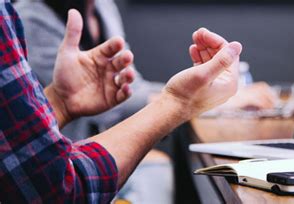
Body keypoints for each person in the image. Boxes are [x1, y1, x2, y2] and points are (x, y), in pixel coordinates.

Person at [0, 0, 243, 202]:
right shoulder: (28, 17)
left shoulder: (103, 7)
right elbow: (57, 189)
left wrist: (60, 102)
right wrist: (180, 102)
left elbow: (130, 86)